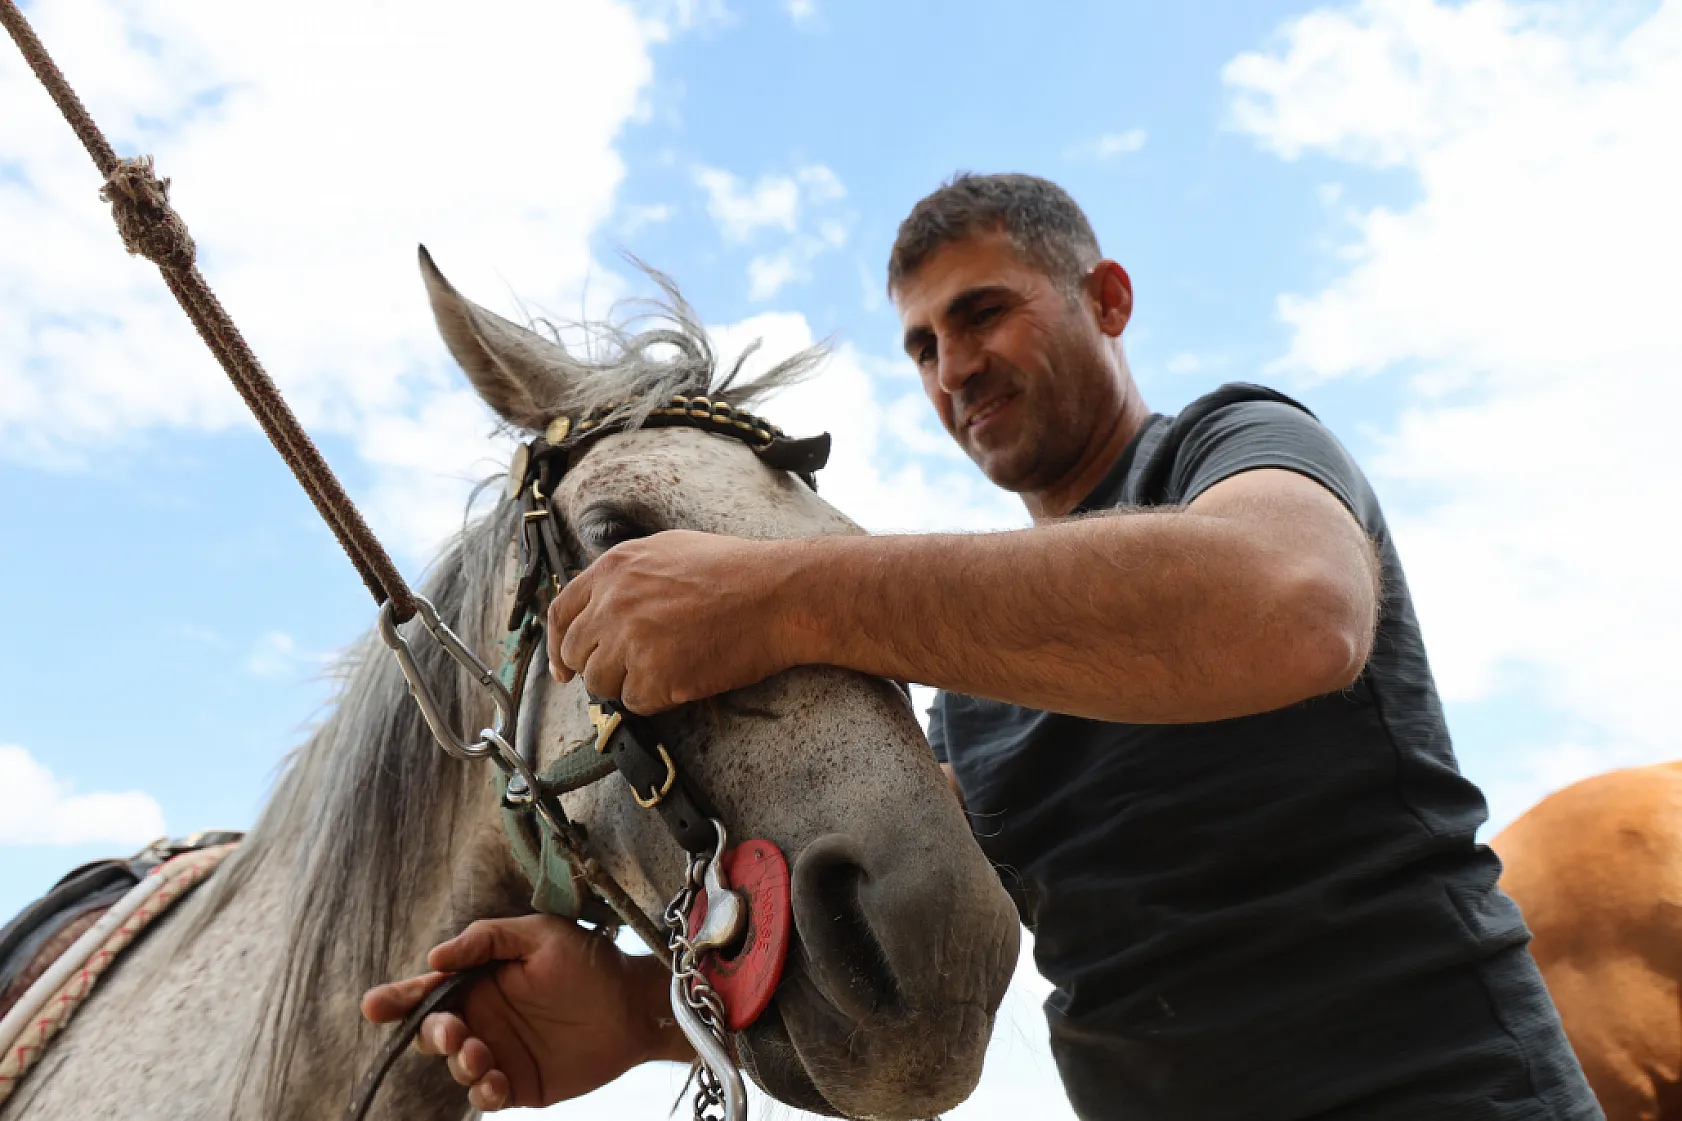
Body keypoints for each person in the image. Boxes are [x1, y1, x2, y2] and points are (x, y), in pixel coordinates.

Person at [364, 174, 1600, 1120]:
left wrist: (778, 600)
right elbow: (901, 932)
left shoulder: (1229, 446)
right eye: (919, 345)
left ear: (1106, 300)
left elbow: (1292, 602)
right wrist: (641, 1009)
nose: (952, 367)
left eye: (981, 312)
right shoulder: (974, 686)